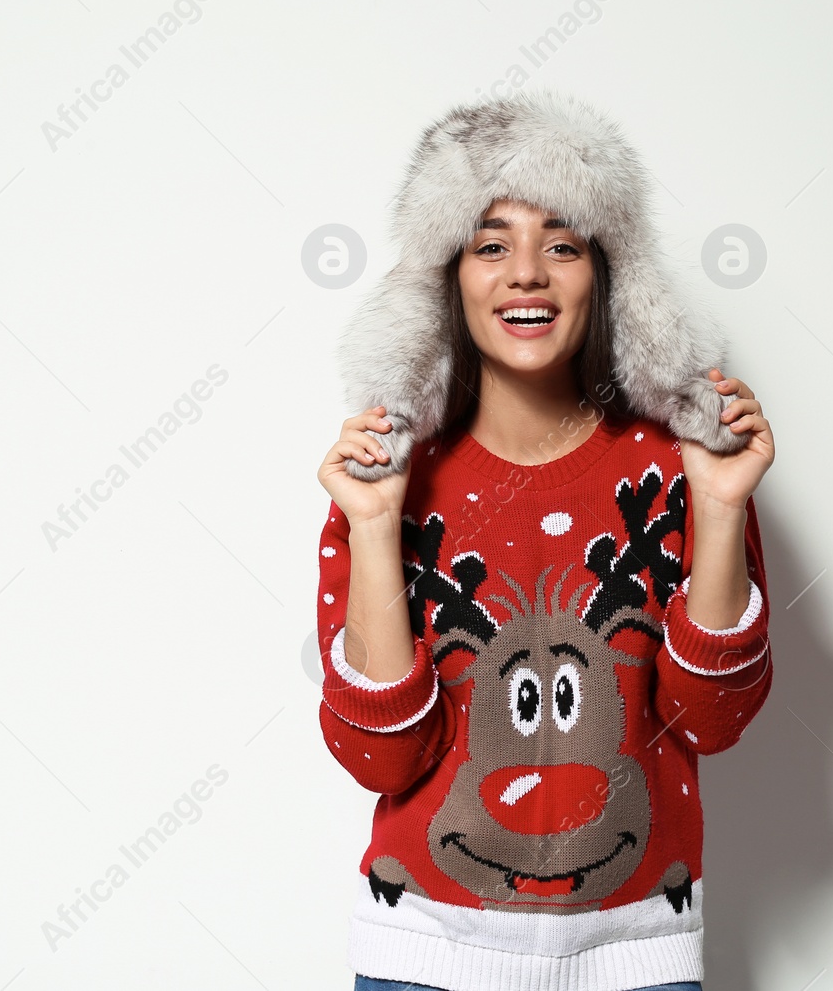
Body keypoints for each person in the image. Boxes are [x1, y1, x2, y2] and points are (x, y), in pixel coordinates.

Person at [314, 88, 776, 991]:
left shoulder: (679, 469)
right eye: (491, 245)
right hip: (424, 958)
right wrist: (375, 530)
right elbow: (379, 753)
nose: (526, 271)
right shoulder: (384, 479)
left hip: (638, 956)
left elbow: (711, 721)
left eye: (561, 244)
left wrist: (718, 508)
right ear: (447, 275)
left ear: (607, 276)